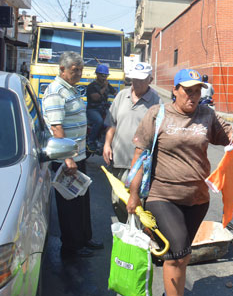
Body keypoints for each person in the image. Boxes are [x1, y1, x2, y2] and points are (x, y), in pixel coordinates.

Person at [127, 69, 233, 296]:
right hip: (163, 195)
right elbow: (139, 155)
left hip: (197, 199)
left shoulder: (206, 115)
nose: (192, 96)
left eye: (197, 91)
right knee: (178, 250)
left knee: (181, 254)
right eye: (187, 91)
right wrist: (133, 194)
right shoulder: (157, 114)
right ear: (175, 90)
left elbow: (227, 134)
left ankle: (171, 295)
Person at [42, 51, 103, 258]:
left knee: (82, 200)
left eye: (80, 70)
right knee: (70, 205)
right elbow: (56, 127)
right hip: (65, 160)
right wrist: (67, 158)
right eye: (74, 70)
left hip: (78, 156)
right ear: (62, 70)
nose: (78, 74)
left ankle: (84, 238)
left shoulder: (72, 89)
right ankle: (72, 247)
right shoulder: (56, 91)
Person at [103, 62, 161, 223]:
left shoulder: (157, 101)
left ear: (150, 79)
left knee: (136, 205)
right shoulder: (122, 95)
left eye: (142, 80)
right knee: (117, 200)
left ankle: (138, 239)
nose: (137, 83)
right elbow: (112, 123)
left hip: (141, 164)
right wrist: (107, 144)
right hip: (119, 159)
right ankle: (125, 233)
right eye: (135, 79)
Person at [86, 64, 116, 152]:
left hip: (104, 108)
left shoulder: (107, 85)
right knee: (99, 121)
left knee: (114, 121)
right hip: (93, 109)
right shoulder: (91, 86)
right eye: (103, 75)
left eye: (106, 75)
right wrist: (105, 87)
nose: (104, 78)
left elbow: (115, 94)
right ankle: (90, 141)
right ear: (97, 75)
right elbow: (96, 97)